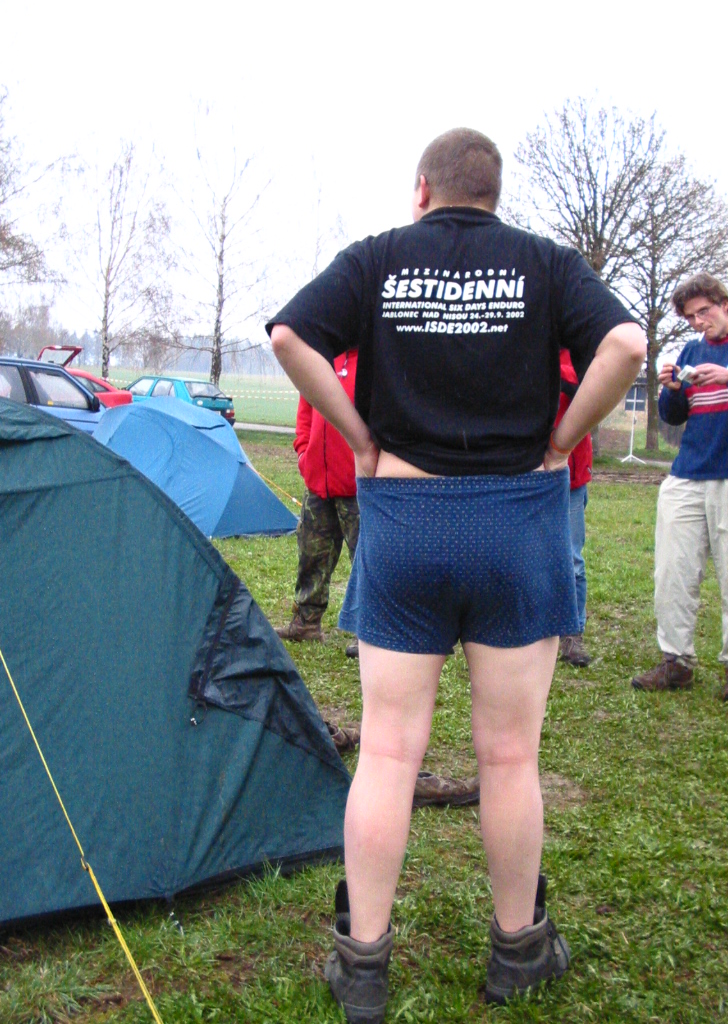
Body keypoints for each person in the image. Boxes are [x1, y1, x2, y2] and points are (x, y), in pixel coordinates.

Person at [268, 128, 645, 1020]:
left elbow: (289, 335)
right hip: (516, 523)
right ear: (493, 193)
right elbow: (627, 345)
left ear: (422, 189)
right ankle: (519, 951)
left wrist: (360, 439)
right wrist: (563, 440)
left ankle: (363, 966)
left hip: (406, 521)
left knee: (388, 751)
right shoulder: (546, 263)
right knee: (510, 756)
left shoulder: (379, 258)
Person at [632, 272, 728, 700]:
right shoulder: (691, 350)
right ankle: (676, 661)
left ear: (724, 304)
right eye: (690, 317)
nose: (698, 322)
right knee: (672, 569)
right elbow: (673, 416)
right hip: (688, 471)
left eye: (704, 311)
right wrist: (671, 389)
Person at [275, 349, 360, 658]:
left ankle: (371, 635)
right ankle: (306, 622)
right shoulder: (321, 360)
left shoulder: (373, 362)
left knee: (366, 561)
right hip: (318, 482)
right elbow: (306, 412)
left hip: (358, 485)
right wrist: (303, 452)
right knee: (311, 552)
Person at [557, 350, 594, 668]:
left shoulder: (576, 356)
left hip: (569, 478)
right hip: (524, 474)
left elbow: (588, 390)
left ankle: (572, 634)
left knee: (572, 561)